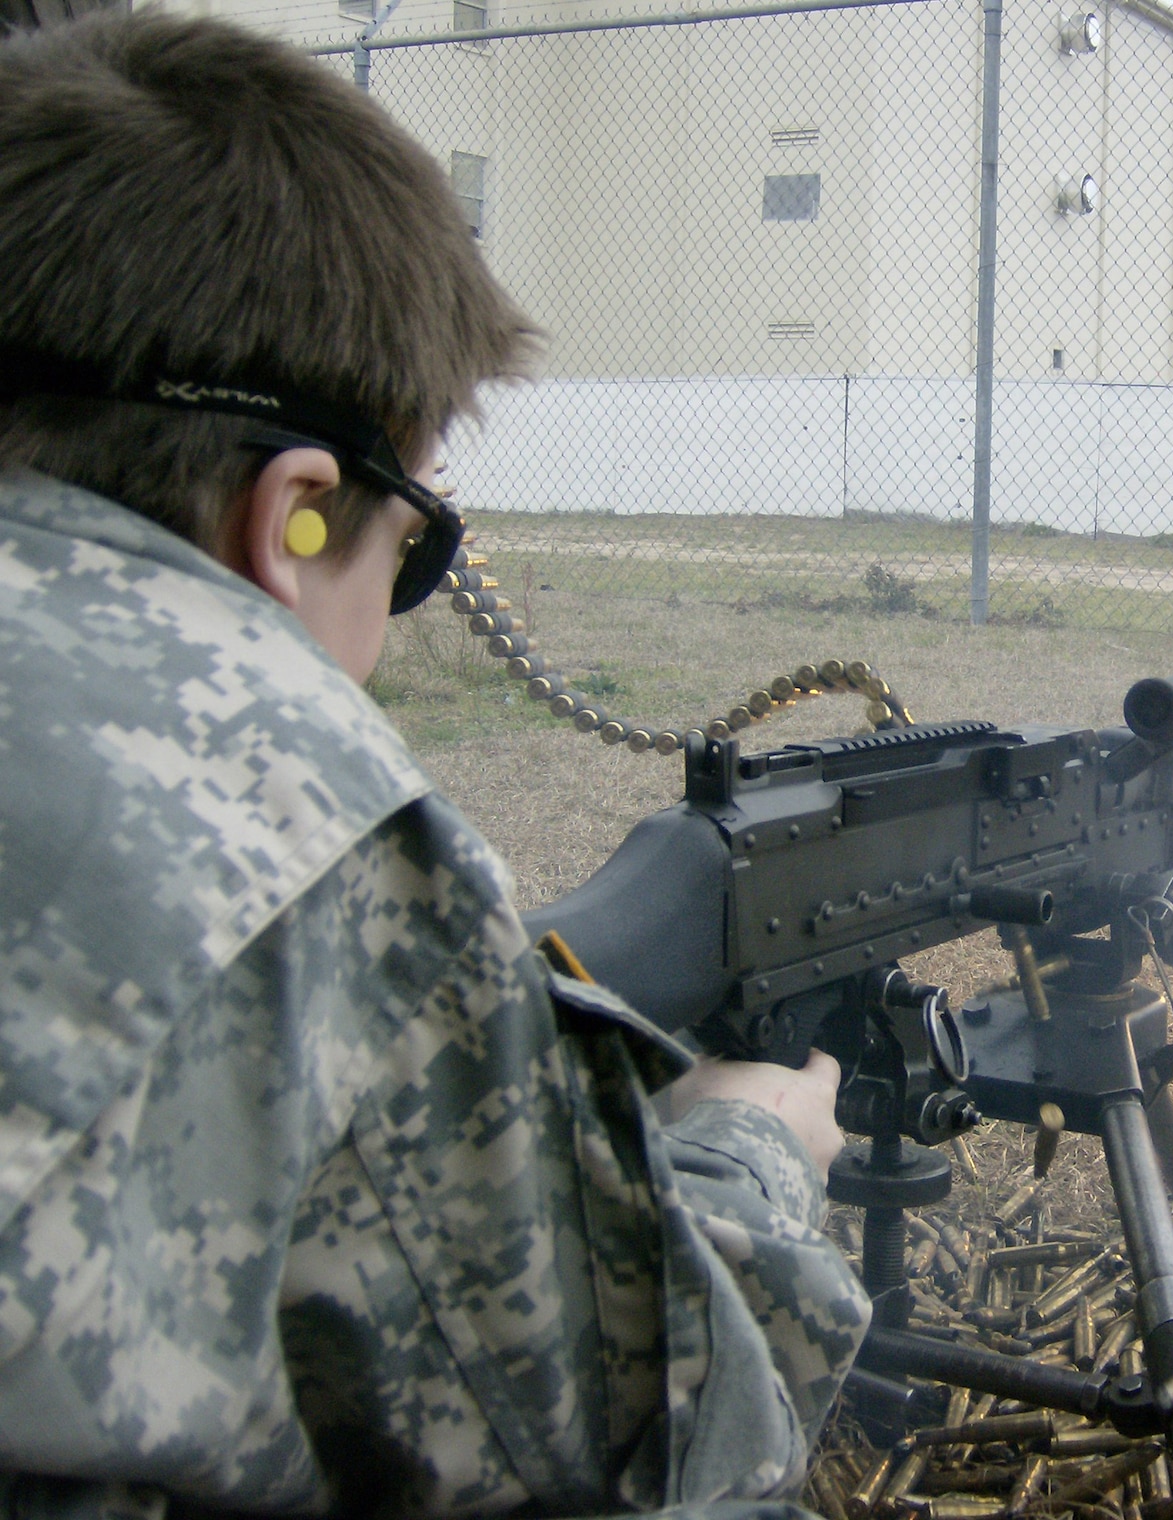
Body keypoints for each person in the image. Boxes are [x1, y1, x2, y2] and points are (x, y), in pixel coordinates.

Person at [0, 11, 870, 1519]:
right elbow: (645, 1434)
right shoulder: (281, 810)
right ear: (301, 517)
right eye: (414, 558)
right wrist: (749, 1151)